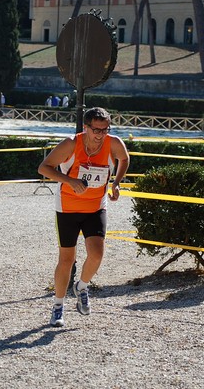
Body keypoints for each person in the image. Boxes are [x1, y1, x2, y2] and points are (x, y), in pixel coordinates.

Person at [38, 107, 130, 327]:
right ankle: (58, 306)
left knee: (97, 254)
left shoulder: (113, 143)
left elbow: (124, 159)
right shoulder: (71, 143)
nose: (100, 134)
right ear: (86, 127)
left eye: (105, 129)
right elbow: (44, 168)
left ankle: (81, 286)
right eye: (96, 129)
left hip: (96, 206)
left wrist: (116, 183)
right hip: (68, 207)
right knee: (67, 260)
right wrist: (69, 181)